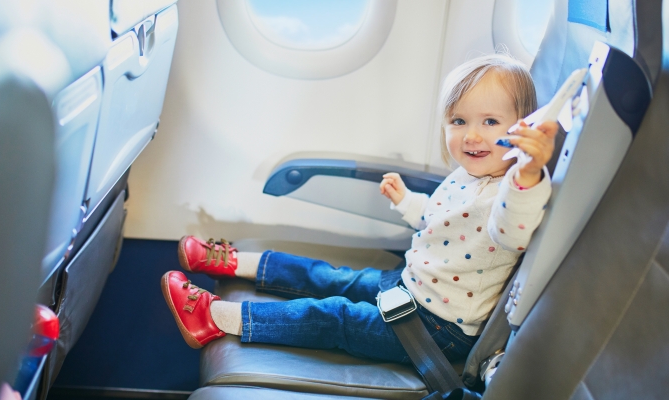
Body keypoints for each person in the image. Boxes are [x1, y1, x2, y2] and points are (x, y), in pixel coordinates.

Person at [161, 53, 557, 363]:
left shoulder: (511, 190)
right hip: (410, 286)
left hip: (437, 329)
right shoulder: (467, 175)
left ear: (522, 129)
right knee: (329, 277)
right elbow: (440, 221)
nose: (471, 135)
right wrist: (408, 203)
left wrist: (529, 172)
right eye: (458, 120)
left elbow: (512, 230)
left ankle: (215, 319)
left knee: (333, 316)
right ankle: (233, 262)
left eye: (490, 121)